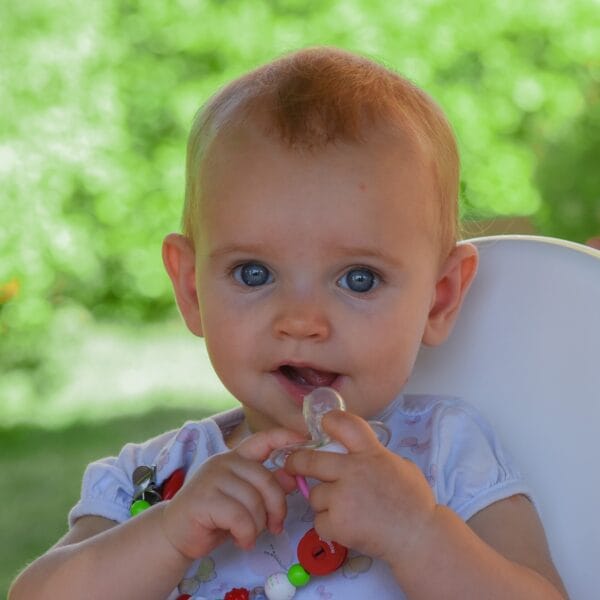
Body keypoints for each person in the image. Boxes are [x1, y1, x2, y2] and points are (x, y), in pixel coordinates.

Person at [9, 47, 567, 600]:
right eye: (254, 273)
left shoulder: (444, 455)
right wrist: (166, 534)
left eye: (359, 279)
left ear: (439, 299)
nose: (302, 322)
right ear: (191, 287)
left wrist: (418, 533)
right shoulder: (154, 480)